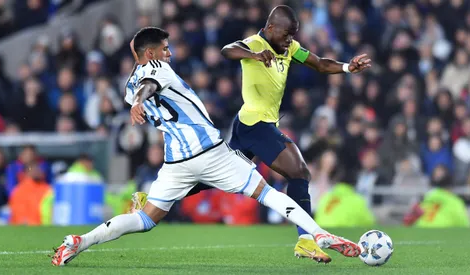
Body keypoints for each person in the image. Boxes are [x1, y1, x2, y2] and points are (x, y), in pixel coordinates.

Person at [51, 27, 360, 266]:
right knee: (268, 194)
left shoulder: (128, 86)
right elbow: (151, 85)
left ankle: (79, 242)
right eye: (164, 48)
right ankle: (318, 234)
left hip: (176, 163)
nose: (169, 53)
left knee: (144, 220)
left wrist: (137, 102)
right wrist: (142, 101)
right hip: (210, 153)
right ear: (150, 53)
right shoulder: (157, 69)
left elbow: (141, 88)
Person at [196, 5, 370, 260]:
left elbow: (320, 64)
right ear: (270, 28)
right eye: (286, 34)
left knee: (218, 176)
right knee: (299, 172)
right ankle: (306, 239)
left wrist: (346, 68)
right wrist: (253, 55)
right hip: (256, 124)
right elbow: (227, 50)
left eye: (293, 35)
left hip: (251, 125)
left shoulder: (290, 48)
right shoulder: (254, 43)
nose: (289, 40)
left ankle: (160, 196)